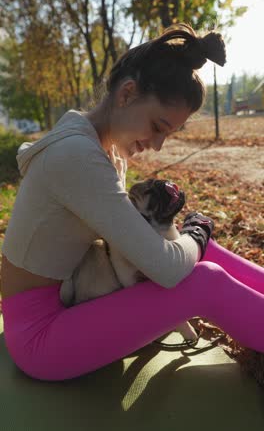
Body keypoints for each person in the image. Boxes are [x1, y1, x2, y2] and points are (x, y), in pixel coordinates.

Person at [0, 23, 263, 382]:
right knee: (203, 278)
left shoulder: (100, 149)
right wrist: (196, 236)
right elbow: (167, 270)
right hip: (40, 335)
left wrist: (198, 240)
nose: (156, 145)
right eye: (157, 126)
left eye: (166, 134)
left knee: (202, 250)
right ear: (127, 94)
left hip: (72, 306)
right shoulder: (76, 155)